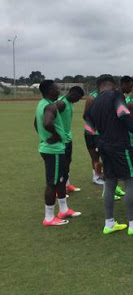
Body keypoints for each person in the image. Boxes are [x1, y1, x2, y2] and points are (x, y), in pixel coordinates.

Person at [85, 75, 133, 235]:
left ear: (98, 87)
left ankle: (109, 223)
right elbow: (125, 116)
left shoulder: (93, 103)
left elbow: (88, 132)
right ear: (114, 85)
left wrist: (95, 159)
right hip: (120, 146)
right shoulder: (116, 96)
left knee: (110, 183)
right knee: (130, 180)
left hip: (103, 147)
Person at [35, 80, 81, 226]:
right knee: (52, 183)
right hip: (53, 150)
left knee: (61, 179)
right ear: (49, 90)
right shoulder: (49, 105)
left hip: (56, 149)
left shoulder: (44, 104)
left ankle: (64, 209)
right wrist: (54, 136)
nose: (59, 91)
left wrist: (44, 136)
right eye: (56, 89)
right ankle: (49, 217)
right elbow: (47, 123)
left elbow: (36, 123)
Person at [55, 86, 85, 193]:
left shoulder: (70, 103)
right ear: (73, 94)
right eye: (78, 98)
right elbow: (49, 117)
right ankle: (58, 189)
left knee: (67, 162)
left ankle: (66, 185)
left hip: (67, 138)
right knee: (61, 165)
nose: (78, 100)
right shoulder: (61, 103)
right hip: (60, 139)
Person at [83, 82, 103, 185]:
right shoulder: (92, 98)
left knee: (103, 154)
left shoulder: (104, 96)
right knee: (95, 156)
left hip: (101, 132)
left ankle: (100, 174)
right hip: (92, 132)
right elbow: (86, 115)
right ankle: (96, 177)